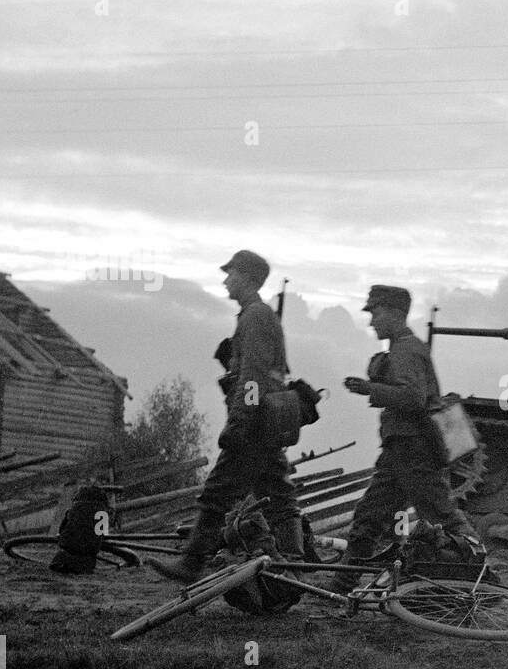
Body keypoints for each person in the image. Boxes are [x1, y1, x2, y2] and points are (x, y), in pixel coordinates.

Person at [151, 250, 303, 582]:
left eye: (231, 273)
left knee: (217, 492)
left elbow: (254, 376)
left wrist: (239, 422)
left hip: (255, 421)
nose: (225, 280)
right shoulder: (256, 315)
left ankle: (192, 563)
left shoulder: (255, 317)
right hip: (264, 421)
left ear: (248, 279)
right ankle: (297, 562)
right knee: (278, 492)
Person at [333, 285, 477, 591]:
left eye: (375, 312)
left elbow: (412, 397)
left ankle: (481, 575)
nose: (371, 320)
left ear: (394, 313)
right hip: (400, 449)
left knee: (442, 517)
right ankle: (340, 587)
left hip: (414, 449)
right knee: (368, 518)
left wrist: (369, 388)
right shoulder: (404, 347)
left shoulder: (407, 349)